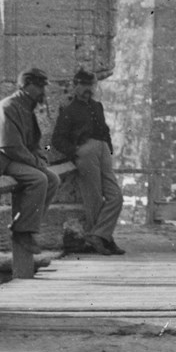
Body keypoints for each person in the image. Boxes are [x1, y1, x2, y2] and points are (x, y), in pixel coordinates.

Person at [0, 68, 62, 255]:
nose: (42, 91)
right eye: (38, 86)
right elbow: (10, 146)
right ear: (25, 85)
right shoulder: (8, 107)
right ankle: (22, 232)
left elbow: (31, 143)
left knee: (53, 179)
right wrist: (36, 163)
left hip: (12, 158)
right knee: (38, 179)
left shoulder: (26, 107)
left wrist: (40, 158)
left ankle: (29, 226)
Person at [52, 69, 124, 256]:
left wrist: (108, 147)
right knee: (93, 198)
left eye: (90, 85)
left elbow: (105, 130)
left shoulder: (97, 106)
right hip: (85, 153)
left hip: (102, 152)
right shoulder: (69, 111)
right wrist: (76, 152)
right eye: (83, 85)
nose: (87, 90)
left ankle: (100, 236)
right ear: (75, 86)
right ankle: (104, 240)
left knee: (115, 196)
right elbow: (58, 139)